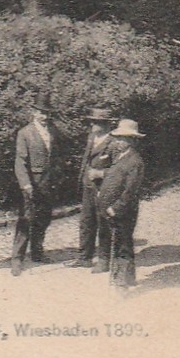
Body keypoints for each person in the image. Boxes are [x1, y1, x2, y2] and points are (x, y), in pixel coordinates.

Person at [12, 92, 63, 274]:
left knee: (43, 219)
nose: (44, 116)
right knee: (26, 220)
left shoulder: (53, 131)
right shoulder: (25, 133)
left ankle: (37, 252)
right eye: (40, 112)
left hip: (49, 184)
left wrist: (58, 177)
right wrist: (26, 184)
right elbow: (20, 161)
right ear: (33, 112)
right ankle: (17, 259)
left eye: (47, 113)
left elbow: (56, 157)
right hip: (32, 185)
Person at [97, 119, 146, 292]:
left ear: (132, 140)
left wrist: (116, 207)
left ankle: (121, 283)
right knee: (123, 242)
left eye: (122, 139)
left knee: (121, 244)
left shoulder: (135, 162)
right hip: (114, 208)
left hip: (124, 210)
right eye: (117, 138)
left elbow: (130, 191)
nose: (117, 142)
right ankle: (129, 278)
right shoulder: (120, 157)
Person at [73, 106, 116, 270]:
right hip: (88, 186)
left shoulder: (113, 142)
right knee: (86, 221)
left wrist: (101, 173)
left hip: (104, 189)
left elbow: (119, 169)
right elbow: (86, 160)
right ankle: (85, 257)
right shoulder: (92, 137)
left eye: (95, 122)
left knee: (103, 222)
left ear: (105, 124)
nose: (91, 125)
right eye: (91, 122)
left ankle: (104, 260)